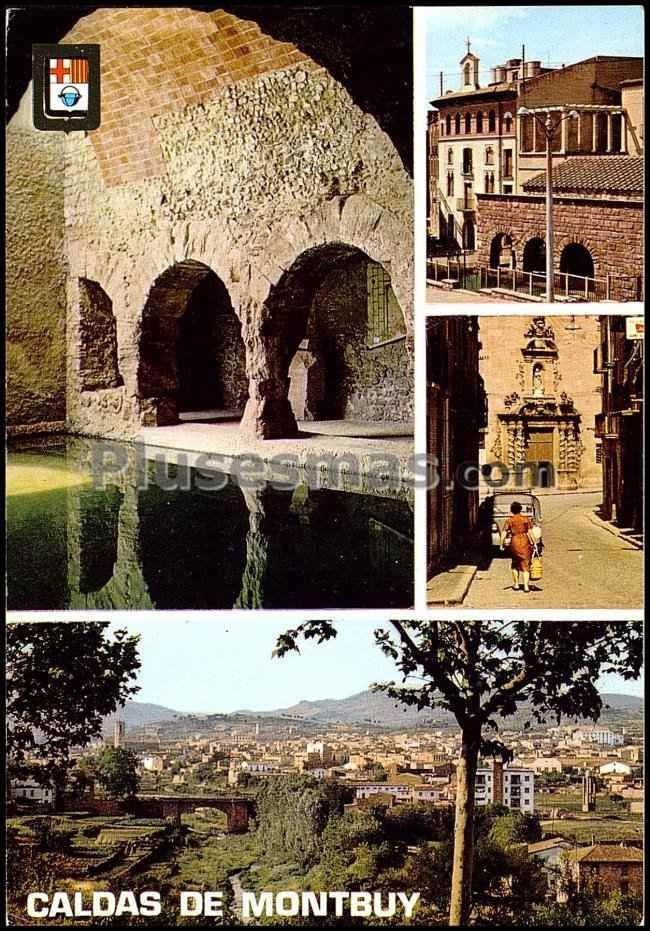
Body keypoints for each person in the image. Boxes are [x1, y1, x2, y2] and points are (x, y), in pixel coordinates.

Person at [500, 501, 534, 592]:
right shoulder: (526, 519)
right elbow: (530, 532)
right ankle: (526, 586)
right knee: (525, 564)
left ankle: (516, 584)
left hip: (514, 542)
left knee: (515, 564)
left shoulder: (509, 520)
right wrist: (534, 542)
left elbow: (504, 533)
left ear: (511, 510)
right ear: (520, 509)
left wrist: (501, 544)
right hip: (524, 541)